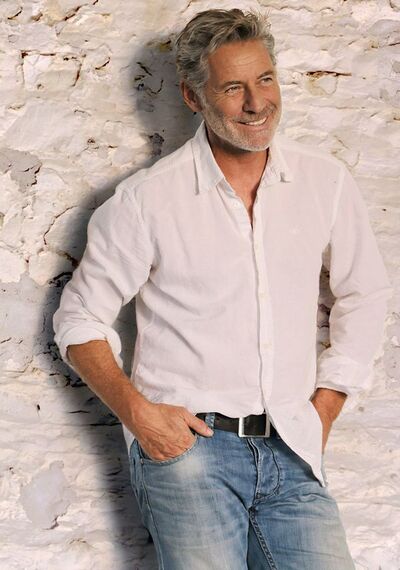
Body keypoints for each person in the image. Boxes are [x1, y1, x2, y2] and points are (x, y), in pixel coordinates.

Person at [53, 8, 392, 570]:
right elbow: (79, 319)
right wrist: (140, 416)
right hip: (191, 452)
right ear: (193, 96)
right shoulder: (146, 201)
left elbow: (365, 293)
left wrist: (326, 406)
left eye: (265, 79)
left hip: (293, 446)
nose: (257, 103)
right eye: (233, 88)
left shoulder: (324, 181)